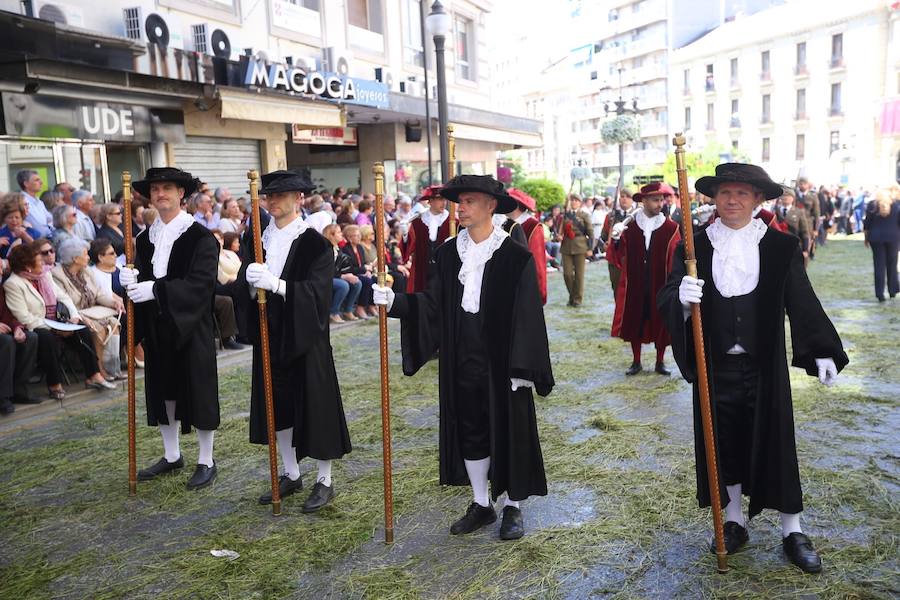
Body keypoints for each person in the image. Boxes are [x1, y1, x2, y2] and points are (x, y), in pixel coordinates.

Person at [658, 162, 848, 574]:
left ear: (758, 199)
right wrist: (681, 299)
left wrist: (822, 351)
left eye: (742, 193)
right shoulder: (694, 247)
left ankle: (792, 529)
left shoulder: (780, 247)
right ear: (714, 197)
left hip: (765, 365)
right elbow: (669, 294)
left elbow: (801, 298)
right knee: (722, 441)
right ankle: (733, 519)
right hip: (715, 364)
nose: (732, 200)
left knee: (775, 441)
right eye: (725, 192)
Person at [372, 174, 553, 541]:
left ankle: (513, 507)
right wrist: (396, 302)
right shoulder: (448, 253)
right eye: (459, 201)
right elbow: (433, 303)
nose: (461, 208)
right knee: (470, 428)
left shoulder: (513, 255)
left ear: (490, 205)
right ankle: (481, 503)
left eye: (469, 201)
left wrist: (524, 367)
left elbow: (528, 313)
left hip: (504, 361)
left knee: (509, 430)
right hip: (462, 356)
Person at [237, 170, 351, 510]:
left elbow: (318, 294)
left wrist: (276, 284)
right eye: (268, 195)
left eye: (281, 195)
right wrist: (247, 280)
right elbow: (245, 281)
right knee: (279, 405)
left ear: (298, 198)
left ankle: (324, 479)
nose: (272, 201)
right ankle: (290, 472)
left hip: (307, 335)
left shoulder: (316, 244)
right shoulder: (255, 237)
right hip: (270, 332)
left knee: (316, 406)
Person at [120, 167, 220, 491]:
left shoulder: (200, 237)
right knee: (164, 391)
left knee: (199, 390)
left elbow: (201, 284)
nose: (159, 193)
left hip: (192, 324)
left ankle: (206, 459)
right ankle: (172, 454)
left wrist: (156, 290)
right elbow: (139, 281)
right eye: (154, 189)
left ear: (181, 194)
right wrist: (128, 282)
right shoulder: (141, 239)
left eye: (166, 188)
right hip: (157, 326)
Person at [3, 243, 113, 401]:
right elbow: (23, 317)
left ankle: (93, 375)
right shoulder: (13, 284)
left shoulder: (44, 275)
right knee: (46, 337)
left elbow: (63, 297)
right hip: (36, 326)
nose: (43, 263)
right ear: (27, 267)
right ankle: (54, 384)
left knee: (81, 330)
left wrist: (74, 316)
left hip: (56, 321)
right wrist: (55, 328)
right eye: (39, 261)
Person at [610, 182, 681, 376]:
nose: (660, 204)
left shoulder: (670, 228)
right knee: (635, 318)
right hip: (636, 281)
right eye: (655, 200)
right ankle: (636, 361)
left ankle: (660, 361)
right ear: (644, 201)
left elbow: (675, 256)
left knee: (660, 320)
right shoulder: (630, 227)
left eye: (661, 200)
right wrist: (616, 240)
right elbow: (617, 255)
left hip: (660, 281)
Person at [52, 238, 125, 381]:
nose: (89, 257)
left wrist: (113, 303)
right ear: (75, 258)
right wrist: (82, 316)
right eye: (85, 254)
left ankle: (113, 368)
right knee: (98, 329)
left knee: (114, 324)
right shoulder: (57, 275)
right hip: (76, 314)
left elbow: (98, 294)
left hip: (94, 310)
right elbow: (66, 303)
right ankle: (100, 370)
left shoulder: (86, 271)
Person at [401, 186, 452, 294]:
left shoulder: (452, 222)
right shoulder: (418, 222)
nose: (443, 203)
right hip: (422, 268)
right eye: (439, 199)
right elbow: (408, 248)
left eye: (444, 199)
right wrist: (405, 235)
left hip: (444, 270)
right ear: (430, 201)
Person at [0, 283, 39, 414]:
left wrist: (18, 327)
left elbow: (8, 313)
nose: (1, 272)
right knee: (7, 341)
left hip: (4, 330)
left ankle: (20, 390)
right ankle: (3, 396)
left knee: (31, 337)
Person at [505, 188, 548, 304]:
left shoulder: (532, 226)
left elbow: (537, 262)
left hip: (525, 287)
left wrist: (540, 292)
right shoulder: (504, 224)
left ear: (516, 205)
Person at [863, 188, 900, 302]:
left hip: (876, 238)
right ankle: (892, 290)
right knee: (892, 265)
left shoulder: (872, 205)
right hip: (893, 237)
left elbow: (867, 224)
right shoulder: (896, 205)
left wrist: (866, 238)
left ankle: (880, 293)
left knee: (879, 266)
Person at [601, 189, 639, 294]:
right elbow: (603, 236)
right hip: (615, 257)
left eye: (628, 197)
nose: (624, 199)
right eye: (622, 196)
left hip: (632, 256)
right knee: (617, 287)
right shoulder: (610, 216)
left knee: (633, 287)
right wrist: (604, 244)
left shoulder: (638, 215)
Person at [323, 224, 362, 324]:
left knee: (357, 282)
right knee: (343, 285)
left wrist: (349, 274)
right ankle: (333, 312)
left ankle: (347, 310)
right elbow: (325, 270)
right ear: (331, 235)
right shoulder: (325, 249)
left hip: (334, 276)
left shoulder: (337, 248)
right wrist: (343, 276)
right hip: (323, 278)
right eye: (339, 232)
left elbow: (339, 268)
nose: (341, 234)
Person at [559, 195, 593, 307]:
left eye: (576, 200)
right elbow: (560, 231)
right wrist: (559, 236)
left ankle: (577, 299)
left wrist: (590, 248)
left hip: (580, 246)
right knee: (567, 274)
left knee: (579, 275)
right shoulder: (565, 215)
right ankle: (572, 296)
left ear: (580, 202)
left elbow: (590, 232)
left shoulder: (584, 215)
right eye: (572, 200)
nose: (573, 202)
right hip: (566, 246)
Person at [341, 224, 376, 319]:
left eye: (359, 235)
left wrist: (367, 271)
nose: (359, 237)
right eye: (356, 235)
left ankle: (371, 306)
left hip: (361, 272)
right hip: (351, 273)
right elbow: (350, 268)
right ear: (349, 238)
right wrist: (364, 269)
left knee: (374, 279)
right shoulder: (345, 249)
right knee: (366, 281)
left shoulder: (360, 247)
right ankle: (360, 308)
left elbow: (363, 263)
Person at [774, 188, 811, 267]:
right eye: (783, 195)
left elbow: (805, 232)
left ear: (793, 198)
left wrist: (805, 250)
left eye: (788, 195)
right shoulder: (775, 211)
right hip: (778, 246)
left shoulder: (799, 212)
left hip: (794, 246)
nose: (785, 197)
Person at [1, 194, 41, 259]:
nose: (14, 220)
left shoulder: (32, 232)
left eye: (17, 217)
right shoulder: (1, 233)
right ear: (4, 219)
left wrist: (25, 236)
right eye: (10, 217)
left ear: (22, 217)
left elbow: (40, 250)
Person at [16, 169, 53, 238]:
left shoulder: (39, 202)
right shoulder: (19, 201)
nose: (41, 182)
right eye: (37, 180)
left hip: (46, 240)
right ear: (26, 184)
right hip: (31, 243)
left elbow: (50, 219)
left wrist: (48, 227)